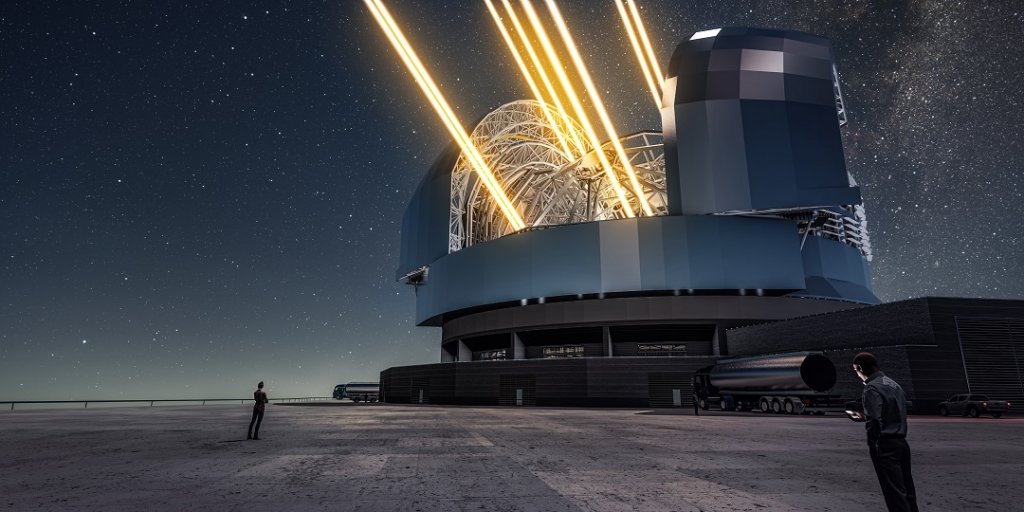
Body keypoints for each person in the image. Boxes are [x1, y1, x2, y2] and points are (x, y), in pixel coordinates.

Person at [849, 352, 919, 512]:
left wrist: (873, 443)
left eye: (855, 370)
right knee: (908, 491)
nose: (857, 374)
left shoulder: (872, 388)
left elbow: (874, 419)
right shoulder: (893, 384)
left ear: (860, 367)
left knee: (894, 493)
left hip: (886, 445)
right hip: (902, 442)